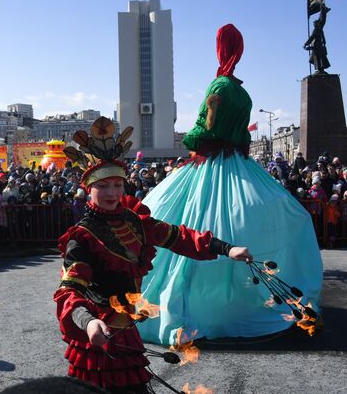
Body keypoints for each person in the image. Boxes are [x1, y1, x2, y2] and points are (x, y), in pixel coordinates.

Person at [138, 24, 323, 345]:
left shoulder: (219, 89)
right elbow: (241, 135)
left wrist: (192, 142)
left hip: (209, 165)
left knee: (166, 211)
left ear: (219, 50)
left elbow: (201, 132)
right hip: (240, 164)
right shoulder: (242, 92)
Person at [54, 117, 252, 394]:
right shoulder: (82, 236)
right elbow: (69, 292)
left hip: (127, 332)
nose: (112, 193)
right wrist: (89, 323)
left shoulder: (137, 222)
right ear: (89, 189)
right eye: (103, 186)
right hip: (98, 337)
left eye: (118, 185)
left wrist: (227, 248)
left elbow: (180, 237)